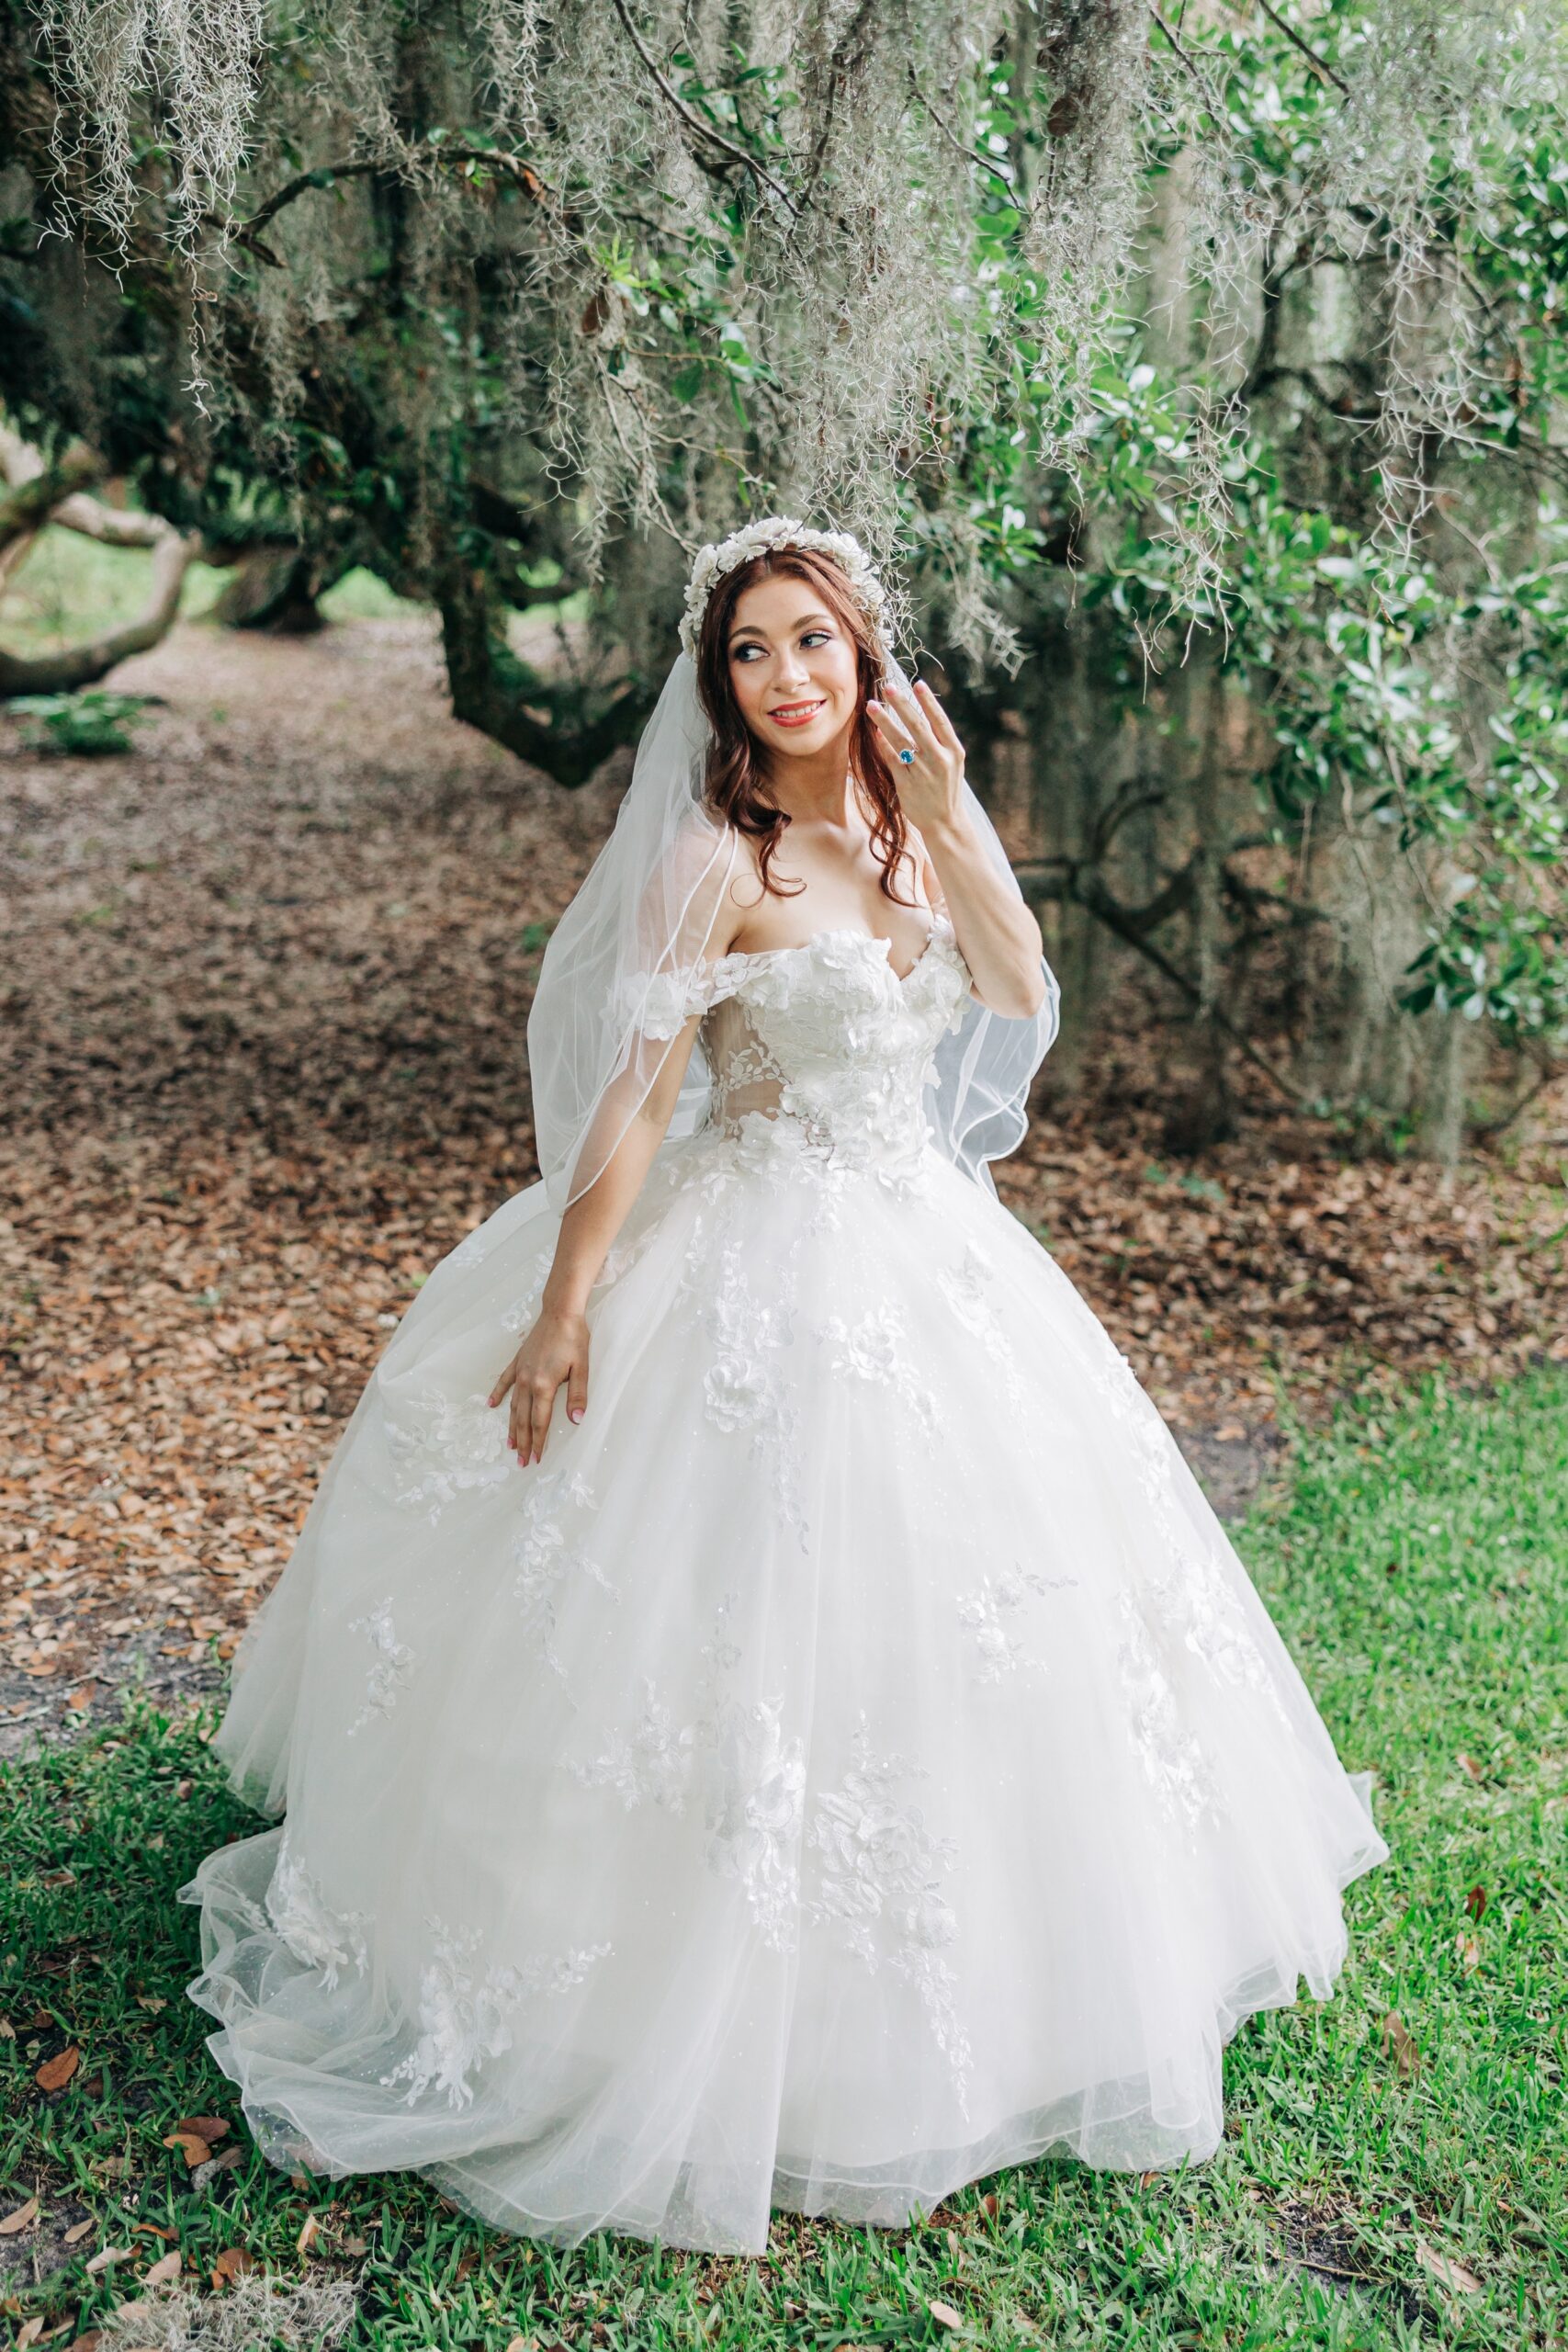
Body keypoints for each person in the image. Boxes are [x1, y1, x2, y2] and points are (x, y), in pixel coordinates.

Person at [179, 516, 1389, 2256]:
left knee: (982, 1606)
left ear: (864, 654)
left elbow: (1020, 989)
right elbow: (640, 1095)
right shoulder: (707, 854)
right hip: (753, 1257)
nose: (787, 677)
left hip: (932, 1255)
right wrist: (566, 1303)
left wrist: (960, 814)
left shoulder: (913, 815)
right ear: (718, 681)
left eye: (813, 641)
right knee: (705, 1614)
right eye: (751, 651)